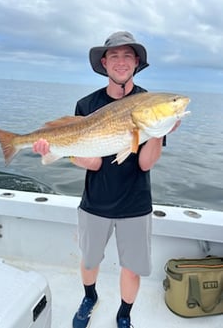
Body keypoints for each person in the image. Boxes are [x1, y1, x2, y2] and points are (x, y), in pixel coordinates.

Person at [33, 31, 180, 328]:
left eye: (128, 55)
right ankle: (90, 297)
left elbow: (146, 162)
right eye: (115, 55)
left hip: (136, 203)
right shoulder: (86, 103)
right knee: (89, 261)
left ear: (137, 62)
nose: (121, 61)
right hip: (94, 201)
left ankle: (124, 314)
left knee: (133, 269)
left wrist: (158, 131)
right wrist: (59, 152)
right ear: (104, 62)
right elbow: (94, 163)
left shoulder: (149, 104)